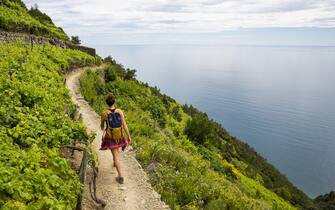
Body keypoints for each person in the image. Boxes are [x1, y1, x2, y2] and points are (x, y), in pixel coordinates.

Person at [100, 94, 132, 184]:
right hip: (120, 136)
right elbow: (124, 125)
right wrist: (128, 136)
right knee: (116, 152)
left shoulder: (104, 113)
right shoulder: (120, 111)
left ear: (106, 103)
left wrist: (103, 122)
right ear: (114, 102)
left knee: (115, 155)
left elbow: (102, 127)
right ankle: (115, 162)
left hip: (110, 137)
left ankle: (120, 176)